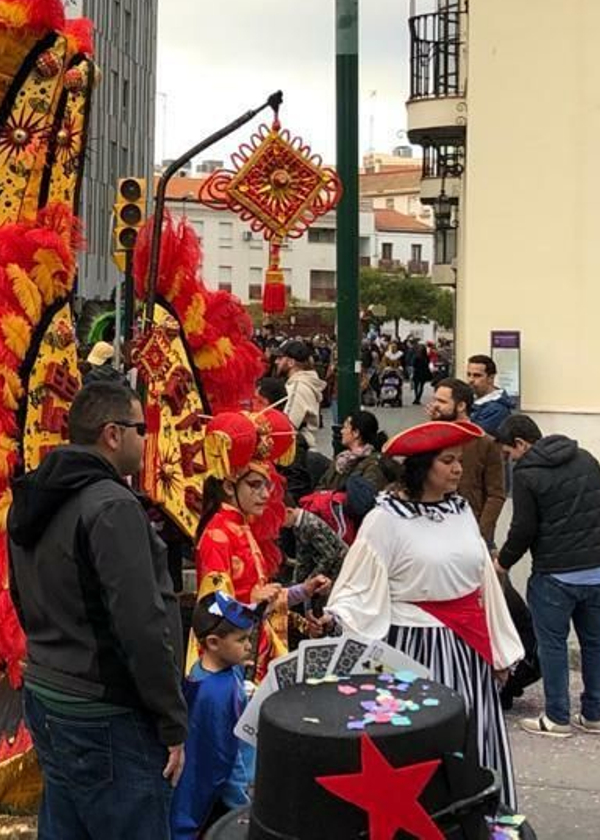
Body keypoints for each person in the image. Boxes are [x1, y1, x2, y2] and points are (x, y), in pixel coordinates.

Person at [7, 379, 188, 840]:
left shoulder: (33, 497)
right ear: (113, 434)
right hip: (106, 712)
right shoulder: (111, 506)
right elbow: (142, 626)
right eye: (141, 429)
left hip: (48, 693)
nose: (146, 439)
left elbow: (20, 597)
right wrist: (172, 721)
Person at [325, 419, 523, 809]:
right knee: (422, 741)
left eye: (459, 460)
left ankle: (473, 817)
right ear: (421, 467)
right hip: (412, 648)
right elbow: (357, 586)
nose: (458, 469)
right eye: (447, 461)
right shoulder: (386, 519)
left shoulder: (460, 510)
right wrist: (345, 625)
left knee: (472, 731)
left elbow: (483, 579)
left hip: (467, 647)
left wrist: (499, 648)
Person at [492, 413, 600, 738]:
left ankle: (557, 716)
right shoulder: (585, 458)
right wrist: (597, 547)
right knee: (594, 643)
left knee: (553, 645)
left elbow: (523, 529)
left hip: (555, 575)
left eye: (508, 453)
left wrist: (502, 563)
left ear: (520, 443)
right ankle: (592, 714)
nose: (509, 459)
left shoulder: (527, 473)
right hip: (599, 570)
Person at [194, 411, 330, 676]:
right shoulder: (217, 536)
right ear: (229, 487)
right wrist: (252, 604)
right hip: (233, 663)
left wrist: (303, 591)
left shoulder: (243, 527)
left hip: (257, 652)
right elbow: (212, 613)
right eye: (255, 485)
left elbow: (261, 598)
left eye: (267, 485)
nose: (266, 494)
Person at [169, 593, 259, 840]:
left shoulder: (206, 670)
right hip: (226, 793)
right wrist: (242, 808)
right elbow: (225, 757)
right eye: (242, 639)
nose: (249, 646)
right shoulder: (216, 695)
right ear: (213, 642)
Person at [430, 378, 506, 546]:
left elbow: (496, 494)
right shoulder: (432, 438)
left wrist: (480, 533)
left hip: (471, 529)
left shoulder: (485, 443)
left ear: (461, 406)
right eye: (435, 400)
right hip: (435, 528)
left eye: (442, 402)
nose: (435, 406)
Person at [275, 340, 326, 500]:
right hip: (303, 450)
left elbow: (287, 425)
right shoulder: (305, 383)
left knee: (293, 499)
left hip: (295, 454)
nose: (276, 362)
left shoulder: (298, 386)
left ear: (291, 362)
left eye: (280, 358)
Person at [465, 355, 518, 438]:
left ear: (491, 378)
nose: (470, 380)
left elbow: (474, 436)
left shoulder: (497, 410)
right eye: (469, 374)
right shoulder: (471, 400)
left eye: (477, 375)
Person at [408, 341, 433, 405]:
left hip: (417, 372)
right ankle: (418, 398)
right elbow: (427, 363)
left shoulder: (416, 357)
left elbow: (413, 364)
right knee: (421, 386)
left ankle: (416, 397)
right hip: (424, 372)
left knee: (416, 386)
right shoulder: (426, 357)